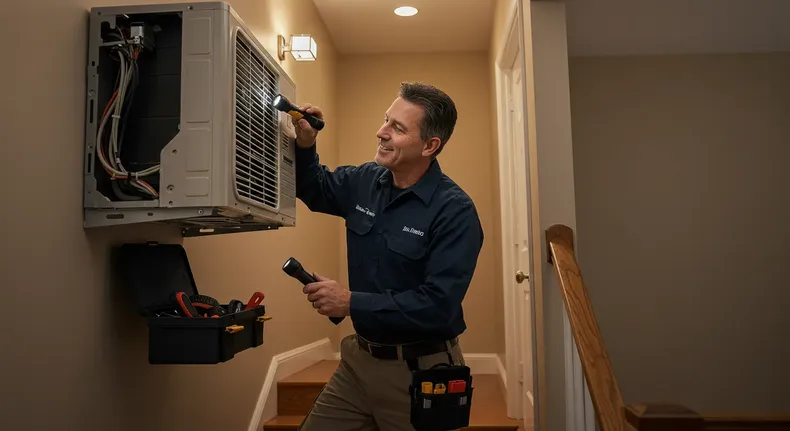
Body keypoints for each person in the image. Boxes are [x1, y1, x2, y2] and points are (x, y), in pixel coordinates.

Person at [292, 81, 484, 431]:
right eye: (386, 120)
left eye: (397, 128)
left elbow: (437, 304)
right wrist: (306, 145)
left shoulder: (455, 211)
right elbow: (313, 188)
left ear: (430, 145)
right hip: (358, 362)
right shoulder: (366, 180)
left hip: (419, 370)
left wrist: (350, 302)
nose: (381, 133)